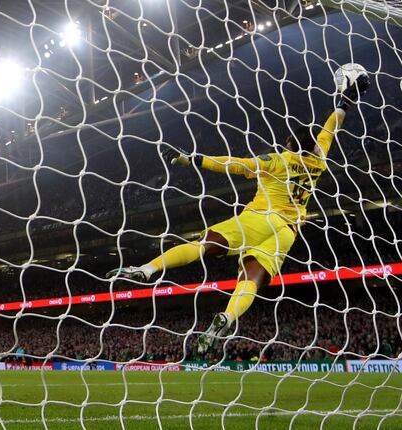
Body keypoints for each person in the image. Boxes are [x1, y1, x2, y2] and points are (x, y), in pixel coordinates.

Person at [108, 68, 371, 353]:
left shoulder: (278, 160)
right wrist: (346, 100)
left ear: (292, 145)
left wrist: (192, 159)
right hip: (287, 232)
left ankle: (148, 269)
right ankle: (228, 316)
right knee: (250, 281)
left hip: (260, 218)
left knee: (203, 246)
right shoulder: (319, 160)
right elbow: (332, 126)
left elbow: (236, 164)